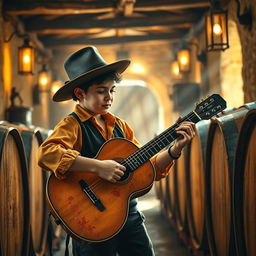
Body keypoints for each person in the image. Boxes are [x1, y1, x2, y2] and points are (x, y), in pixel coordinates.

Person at [38, 46, 196, 256]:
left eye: (112, 90)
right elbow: (46, 152)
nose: (109, 97)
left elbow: (149, 170)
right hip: (92, 219)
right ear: (79, 93)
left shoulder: (121, 126)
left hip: (129, 217)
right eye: (101, 91)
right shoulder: (72, 125)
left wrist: (175, 149)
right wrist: (99, 167)